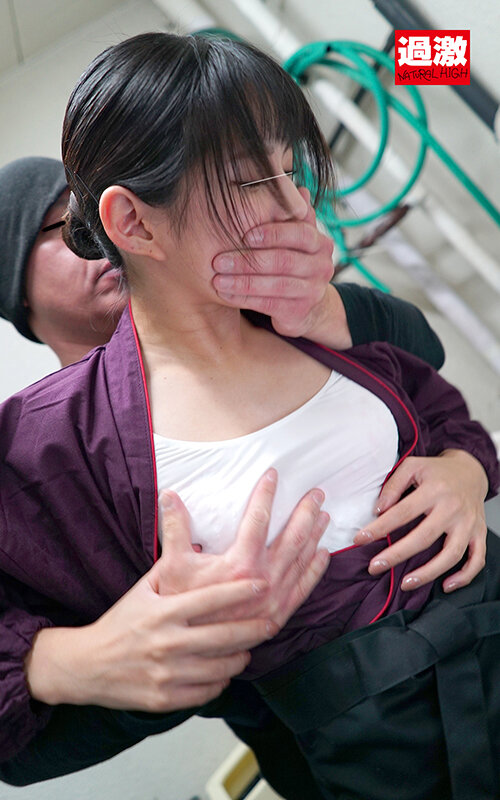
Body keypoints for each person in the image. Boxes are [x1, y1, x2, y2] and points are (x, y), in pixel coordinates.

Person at [0, 36, 497, 798]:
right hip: (386, 754)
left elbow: (428, 387)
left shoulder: (291, 316)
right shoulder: (45, 451)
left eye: (290, 171)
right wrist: (65, 660)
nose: (295, 207)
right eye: (250, 180)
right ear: (133, 223)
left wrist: (464, 469)